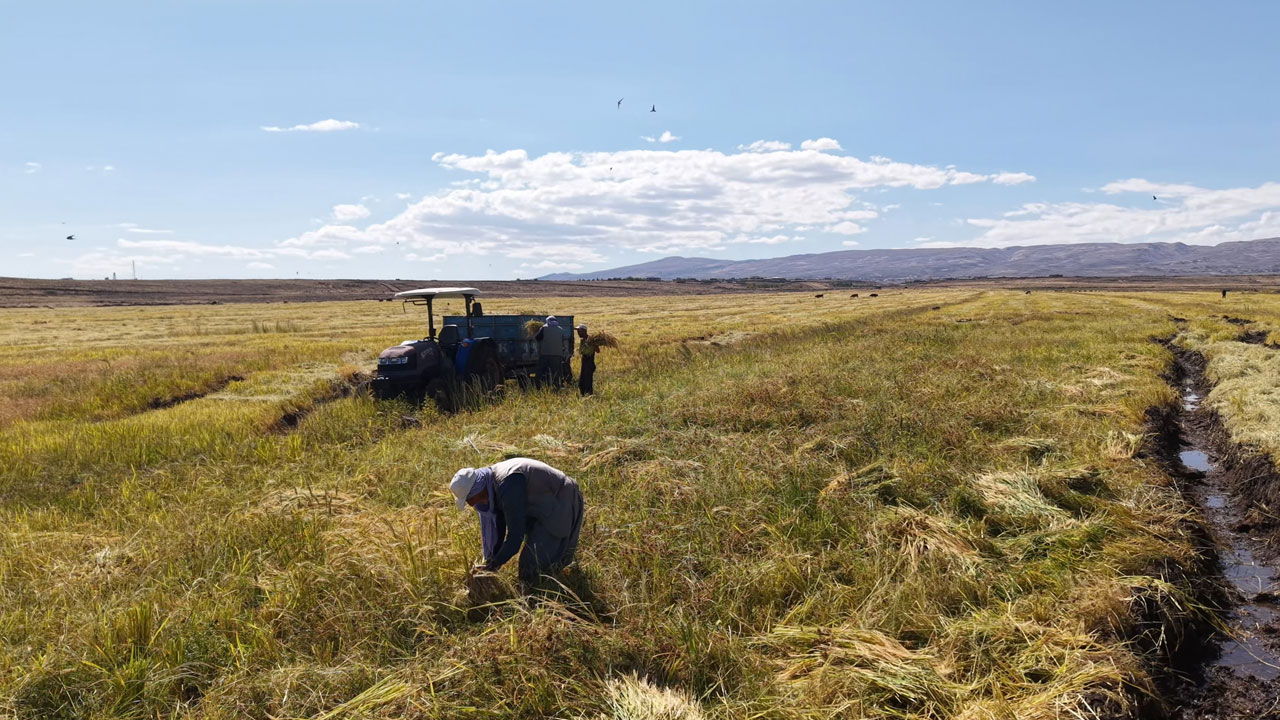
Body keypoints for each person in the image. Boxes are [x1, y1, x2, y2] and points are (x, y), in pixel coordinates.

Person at [449, 458, 584, 583]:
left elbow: (515, 536)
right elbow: (500, 522)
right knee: (535, 559)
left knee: (531, 565)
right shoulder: (490, 482)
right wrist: (491, 560)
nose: (472, 505)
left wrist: (495, 564)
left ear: (478, 490)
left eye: (470, 500)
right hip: (542, 503)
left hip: (560, 500)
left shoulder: (508, 485)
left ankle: (544, 595)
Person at [534, 316, 567, 387]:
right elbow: (563, 341)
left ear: (547, 321)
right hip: (557, 355)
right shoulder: (560, 329)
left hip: (545, 354)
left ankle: (539, 386)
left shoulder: (544, 328)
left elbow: (537, 338)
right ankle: (557, 387)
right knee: (556, 372)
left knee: (541, 371)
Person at [576, 323, 597, 396]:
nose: (578, 333)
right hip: (584, 361)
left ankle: (589, 395)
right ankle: (584, 395)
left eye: (579, 331)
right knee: (582, 381)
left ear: (584, 331)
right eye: (577, 331)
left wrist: (592, 343)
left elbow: (598, 350)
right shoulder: (582, 340)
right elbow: (581, 351)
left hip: (589, 362)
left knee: (588, 380)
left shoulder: (590, 339)